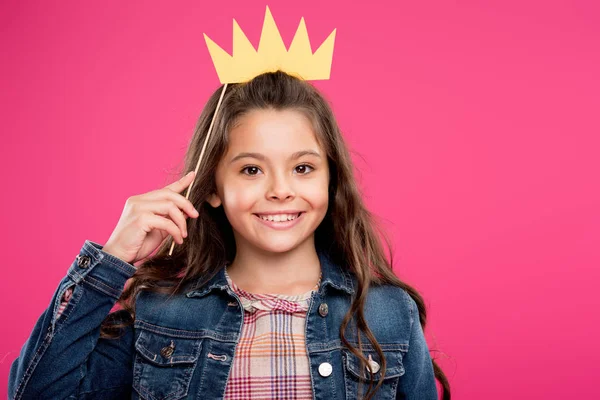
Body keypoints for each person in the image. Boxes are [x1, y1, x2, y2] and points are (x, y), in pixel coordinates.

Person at [8, 71, 450, 400]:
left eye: (302, 168)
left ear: (331, 180)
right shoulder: (161, 313)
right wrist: (111, 261)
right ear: (214, 187)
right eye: (251, 169)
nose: (280, 190)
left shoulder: (389, 315)